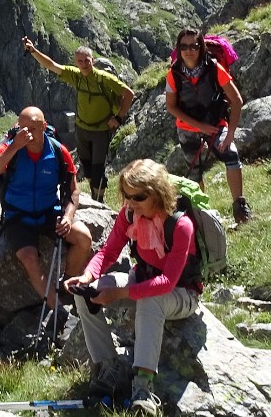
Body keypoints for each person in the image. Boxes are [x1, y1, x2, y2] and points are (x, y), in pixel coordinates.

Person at [64, 159, 200, 416]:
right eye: (126, 195)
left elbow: (167, 283)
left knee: (152, 299)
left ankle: (143, 387)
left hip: (182, 293)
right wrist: (88, 275)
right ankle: (108, 368)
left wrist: (120, 293)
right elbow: (108, 251)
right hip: (141, 279)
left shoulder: (180, 225)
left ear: (157, 193)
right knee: (86, 294)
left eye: (137, 196)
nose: (130, 203)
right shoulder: (130, 215)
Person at [0, 105, 92, 326]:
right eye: (22, 129)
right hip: (18, 217)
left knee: (84, 237)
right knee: (29, 258)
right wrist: (14, 147)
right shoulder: (10, 148)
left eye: (32, 128)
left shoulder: (59, 152)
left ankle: (66, 285)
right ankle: (59, 311)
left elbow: (73, 190)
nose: (26, 134)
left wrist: (68, 217)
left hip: (49, 212)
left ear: (43, 126)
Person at [21, 37, 133, 202]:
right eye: (79, 61)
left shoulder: (104, 78)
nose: (83, 64)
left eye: (86, 60)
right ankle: (95, 194)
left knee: (97, 169)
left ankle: (98, 201)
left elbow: (129, 94)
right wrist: (33, 51)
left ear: (92, 60)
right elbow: (51, 65)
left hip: (100, 130)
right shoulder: (76, 76)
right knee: (86, 167)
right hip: (81, 129)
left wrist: (118, 118)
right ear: (76, 62)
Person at [164, 28, 253, 224]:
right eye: (184, 46)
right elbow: (171, 106)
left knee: (232, 156)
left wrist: (230, 134)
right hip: (188, 128)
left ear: (201, 47)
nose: (189, 51)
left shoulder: (214, 68)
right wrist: (199, 126)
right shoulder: (174, 74)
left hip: (215, 125)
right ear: (179, 49)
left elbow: (236, 100)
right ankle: (201, 215)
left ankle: (240, 207)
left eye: (194, 46)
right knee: (195, 173)